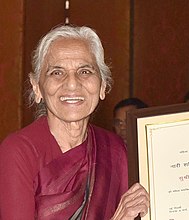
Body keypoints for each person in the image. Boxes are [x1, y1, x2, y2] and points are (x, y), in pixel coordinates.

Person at [0, 25, 149, 219]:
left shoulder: (114, 150)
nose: (72, 84)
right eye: (57, 72)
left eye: (85, 71)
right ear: (37, 87)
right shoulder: (19, 151)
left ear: (103, 85)